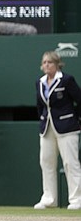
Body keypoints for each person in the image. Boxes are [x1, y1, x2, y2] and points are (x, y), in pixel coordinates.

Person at [34, 51, 81, 210]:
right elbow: (40, 106)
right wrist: (42, 119)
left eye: (50, 62)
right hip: (47, 128)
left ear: (57, 64)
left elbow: (79, 100)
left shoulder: (67, 80)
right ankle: (49, 199)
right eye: (45, 62)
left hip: (67, 128)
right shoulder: (39, 82)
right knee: (46, 162)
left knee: (70, 163)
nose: (47, 65)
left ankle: (76, 200)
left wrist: (75, 119)